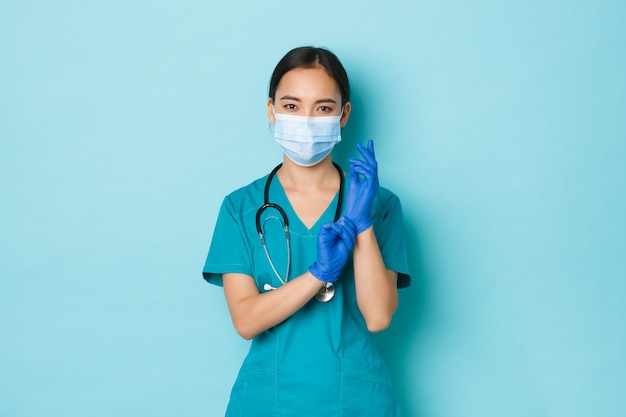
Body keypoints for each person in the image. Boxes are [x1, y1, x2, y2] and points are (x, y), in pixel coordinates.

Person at [202, 46, 411, 416]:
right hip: (270, 400)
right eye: (292, 106)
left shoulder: (382, 205)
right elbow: (246, 320)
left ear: (344, 115)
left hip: (355, 401)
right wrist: (319, 275)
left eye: (324, 107)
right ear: (271, 110)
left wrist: (360, 224)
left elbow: (378, 316)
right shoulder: (239, 208)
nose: (307, 120)